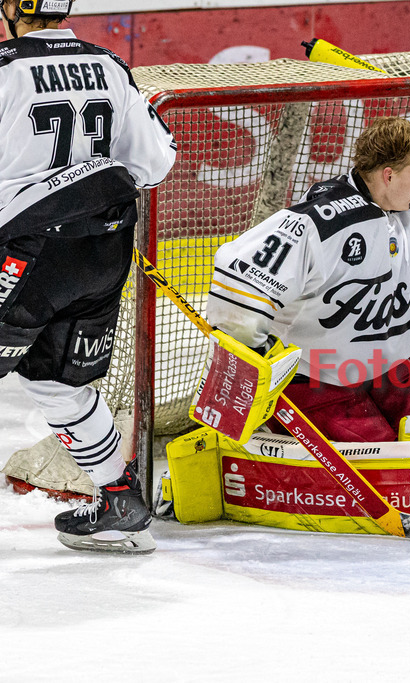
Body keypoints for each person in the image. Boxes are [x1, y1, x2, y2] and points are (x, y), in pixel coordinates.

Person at [0, 0, 176, 553]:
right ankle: (119, 500)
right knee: (58, 381)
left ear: (13, 9)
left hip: (26, 254)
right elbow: (157, 162)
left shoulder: (4, 68)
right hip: (102, 254)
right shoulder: (108, 64)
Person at [206, 116, 410, 443]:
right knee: (388, 469)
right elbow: (240, 272)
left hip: (397, 372)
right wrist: (251, 348)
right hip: (321, 380)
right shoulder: (324, 221)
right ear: (389, 175)